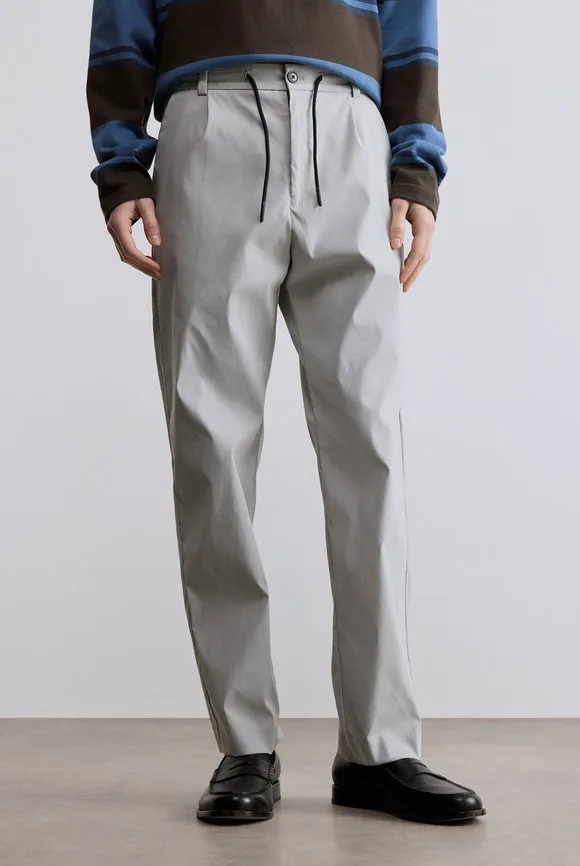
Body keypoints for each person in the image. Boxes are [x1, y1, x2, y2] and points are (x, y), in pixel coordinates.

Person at [86, 0, 486, 825]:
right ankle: (245, 744)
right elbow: (120, 22)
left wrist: (416, 169)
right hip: (209, 125)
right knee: (212, 448)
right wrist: (122, 167)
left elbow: (410, 23)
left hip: (351, 131)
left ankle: (380, 748)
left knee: (371, 448)